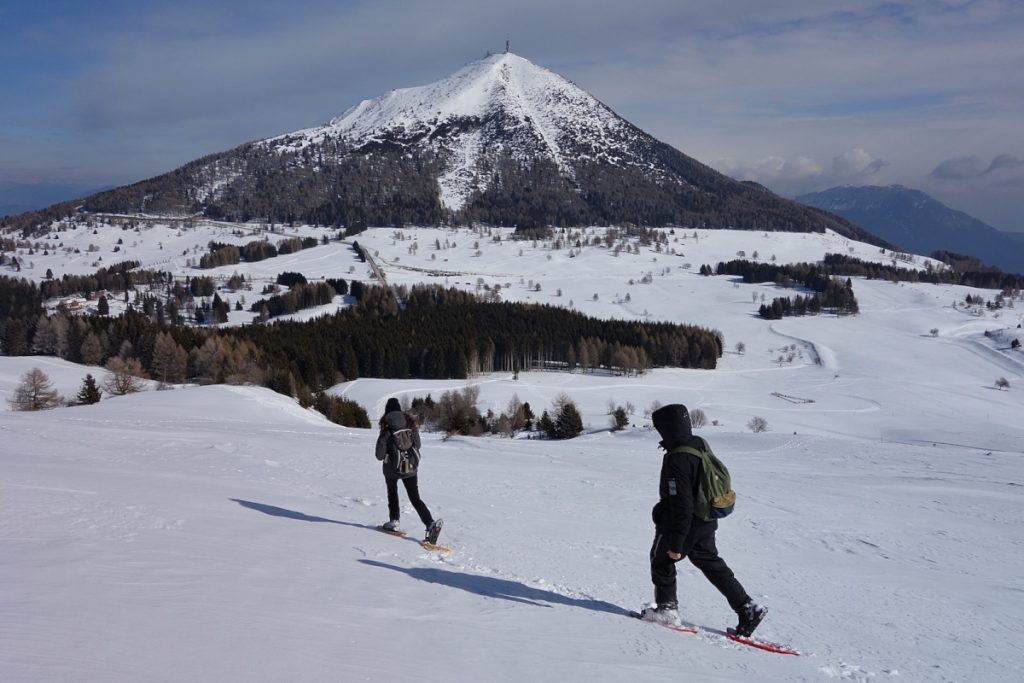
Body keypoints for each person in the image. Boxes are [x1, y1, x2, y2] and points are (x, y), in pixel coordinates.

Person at [640, 403, 766, 637]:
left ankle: (667, 610)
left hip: (683, 522)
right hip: (706, 519)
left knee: (661, 560)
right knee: (709, 562)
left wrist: (677, 543)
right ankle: (747, 608)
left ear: (667, 428)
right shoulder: (698, 444)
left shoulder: (678, 458)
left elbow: (682, 504)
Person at [375, 397, 442, 543]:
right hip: (410, 467)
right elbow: (418, 445)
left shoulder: (386, 429)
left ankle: (394, 521)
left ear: (387, 411)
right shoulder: (411, 425)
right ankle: (430, 523)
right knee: (415, 498)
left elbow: (379, 455)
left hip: (391, 470)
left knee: (392, 493)